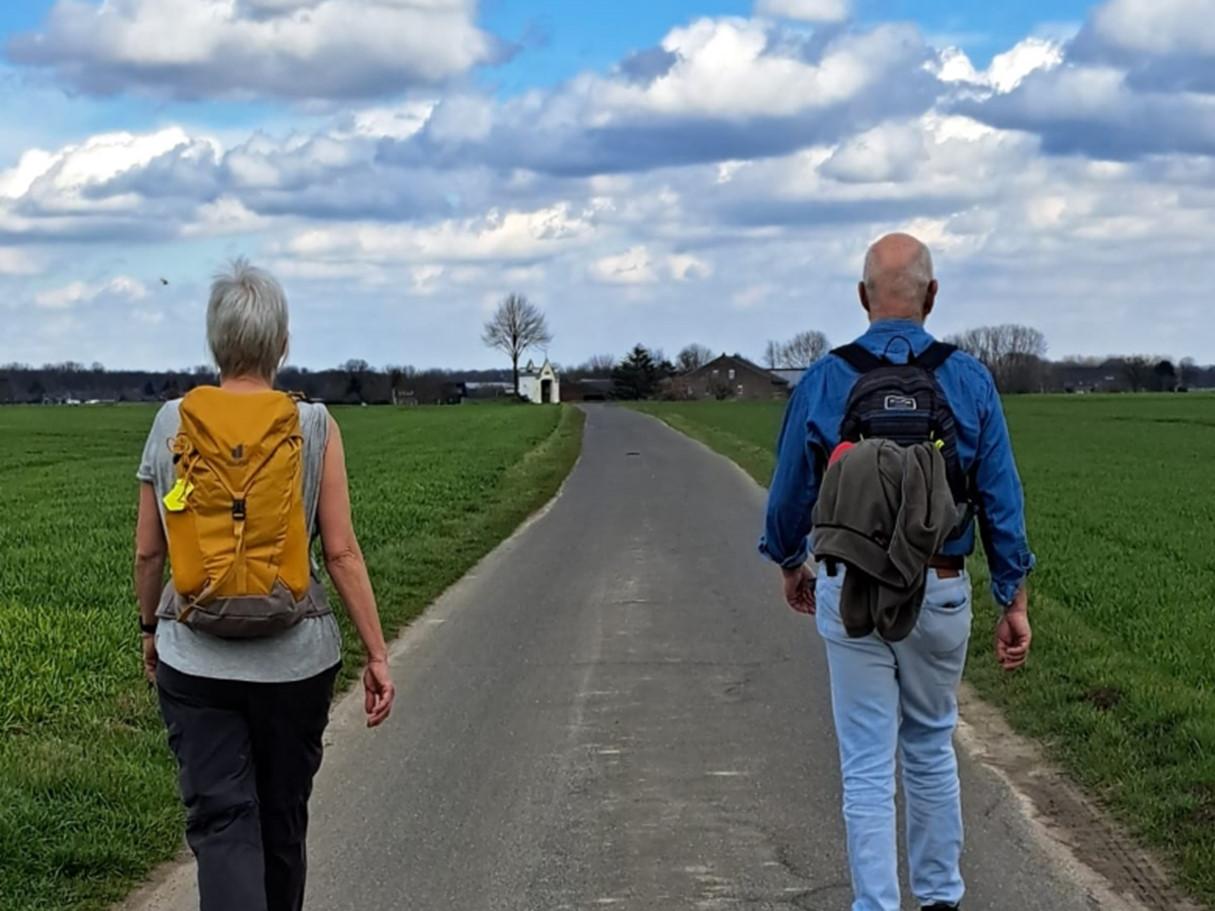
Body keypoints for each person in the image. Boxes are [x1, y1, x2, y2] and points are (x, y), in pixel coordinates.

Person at [759, 233, 1035, 911]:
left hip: (847, 588)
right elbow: (999, 496)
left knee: (865, 765)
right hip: (938, 587)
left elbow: (791, 490)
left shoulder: (826, 378)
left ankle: (875, 905)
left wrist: (792, 561)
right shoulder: (967, 379)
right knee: (930, 745)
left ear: (861, 298)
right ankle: (940, 898)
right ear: (932, 296)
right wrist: (1012, 597)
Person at [134, 259, 396, 911]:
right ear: (281, 344)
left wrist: (149, 627)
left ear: (215, 343)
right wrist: (377, 652)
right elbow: (340, 550)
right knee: (281, 820)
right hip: (297, 662)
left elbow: (148, 550)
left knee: (223, 825)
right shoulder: (314, 425)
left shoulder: (172, 421)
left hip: (193, 658)